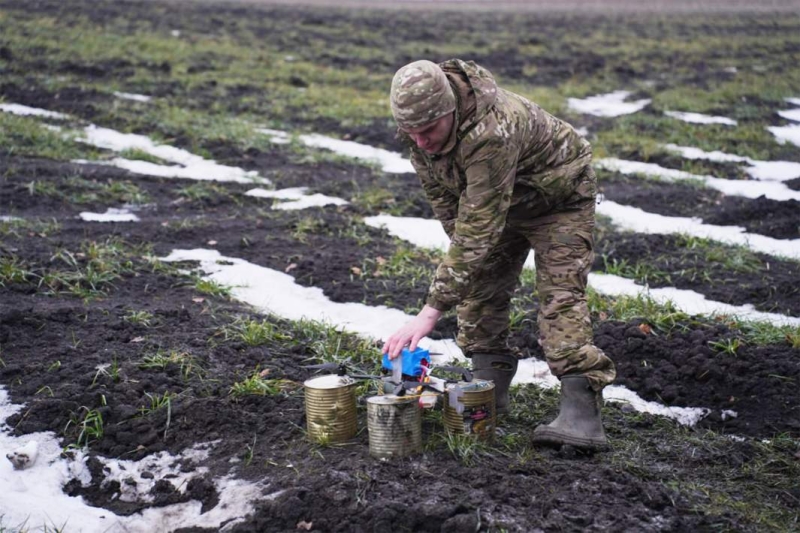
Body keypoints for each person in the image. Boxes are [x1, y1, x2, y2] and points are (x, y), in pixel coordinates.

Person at [381, 59, 616, 449]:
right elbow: (450, 209)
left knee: (560, 298)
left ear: (450, 111)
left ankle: (582, 416)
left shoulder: (491, 131)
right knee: (479, 293)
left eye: (428, 131)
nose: (421, 142)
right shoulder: (420, 134)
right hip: (498, 207)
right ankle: (489, 390)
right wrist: (469, 270)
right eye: (411, 133)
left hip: (557, 201)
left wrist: (431, 310)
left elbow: (477, 227)